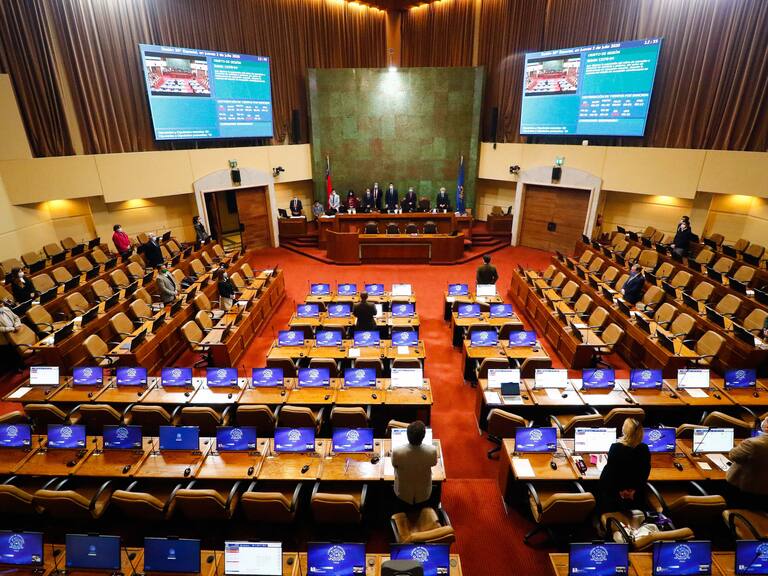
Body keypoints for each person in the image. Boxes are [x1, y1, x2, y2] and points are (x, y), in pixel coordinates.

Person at [599, 419, 651, 513]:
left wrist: (620, 491)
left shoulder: (616, 448)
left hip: (614, 496)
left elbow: (607, 476)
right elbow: (645, 473)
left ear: (625, 431)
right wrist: (633, 490)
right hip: (637, 496)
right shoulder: (644, 448)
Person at [392, 420, 438, 507]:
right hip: (424, 494)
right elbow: (434, 463)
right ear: (424, 436)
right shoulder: (432, 451)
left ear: (407, 435)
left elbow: (394, 464)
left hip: (402, 494)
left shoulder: (397, 451)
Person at [726, 416, 768, 506]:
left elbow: (733, 455)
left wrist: (742, 444)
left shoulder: (752, 443)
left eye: (766, 420)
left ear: (767, 427)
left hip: (745, 490)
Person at [0, 300, 24, 372]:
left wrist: (17, 325)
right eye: (0, 306)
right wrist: (12, 329)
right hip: (3, 339)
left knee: (18, 350)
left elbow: (16, 318)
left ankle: (22, 364)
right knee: (10, 353)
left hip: (15, 334)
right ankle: (15, 368)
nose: (2, 307)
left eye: (2, 305)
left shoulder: (6, 309)